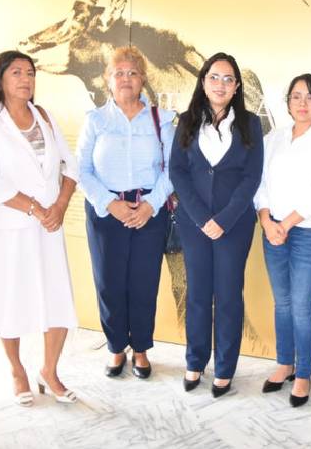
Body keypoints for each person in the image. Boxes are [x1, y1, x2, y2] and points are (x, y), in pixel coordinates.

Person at [0, 51, 79, 406]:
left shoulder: (43, 115)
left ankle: (50, 371)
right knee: (10, 299)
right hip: (8, 225)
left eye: (30, 73)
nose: (25, 79)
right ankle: (17, 371)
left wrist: (59, 206)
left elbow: (70, 165)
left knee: (57, 297)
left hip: (49, 225)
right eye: (16, 72)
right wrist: (36, 208)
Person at [170, 52, 264, 398]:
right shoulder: (187, 121)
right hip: (194, 225)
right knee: (197, 294)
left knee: (228, 296)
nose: (221, 84)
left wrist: (223, 220)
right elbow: (178, 171)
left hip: (234, 225)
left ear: (237, 86)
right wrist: (201, 218)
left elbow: (252, 177)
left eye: (228, 79)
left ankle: (224, 368)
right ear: (203, 81)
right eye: (214, 77)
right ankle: (195, 361)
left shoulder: (250, 124)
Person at [77, 45, 174, 379]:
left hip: (149, 212)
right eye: (119, 73)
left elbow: (172, 170)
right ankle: (116, 347)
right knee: (109, 283)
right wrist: (110, 204)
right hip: (106, 214)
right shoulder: (95, 120)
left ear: (143, 79)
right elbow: (82, 171)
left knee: (144, 284)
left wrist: (150, 205)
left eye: (133, 72)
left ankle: (141, 349)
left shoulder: (162, 120)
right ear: (108, 79)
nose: (126, 78)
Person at [254, 74, 311, 407]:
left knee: (303, 306)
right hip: (273, 231)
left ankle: (303, 373)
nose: (302, 103)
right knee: (283, 303)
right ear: (288, 102)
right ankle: (284, 364)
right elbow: (260, 183)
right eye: (296, 96)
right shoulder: (273, 139)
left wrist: (285, 224)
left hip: (310, 233)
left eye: (310, 97)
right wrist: (266, 220)